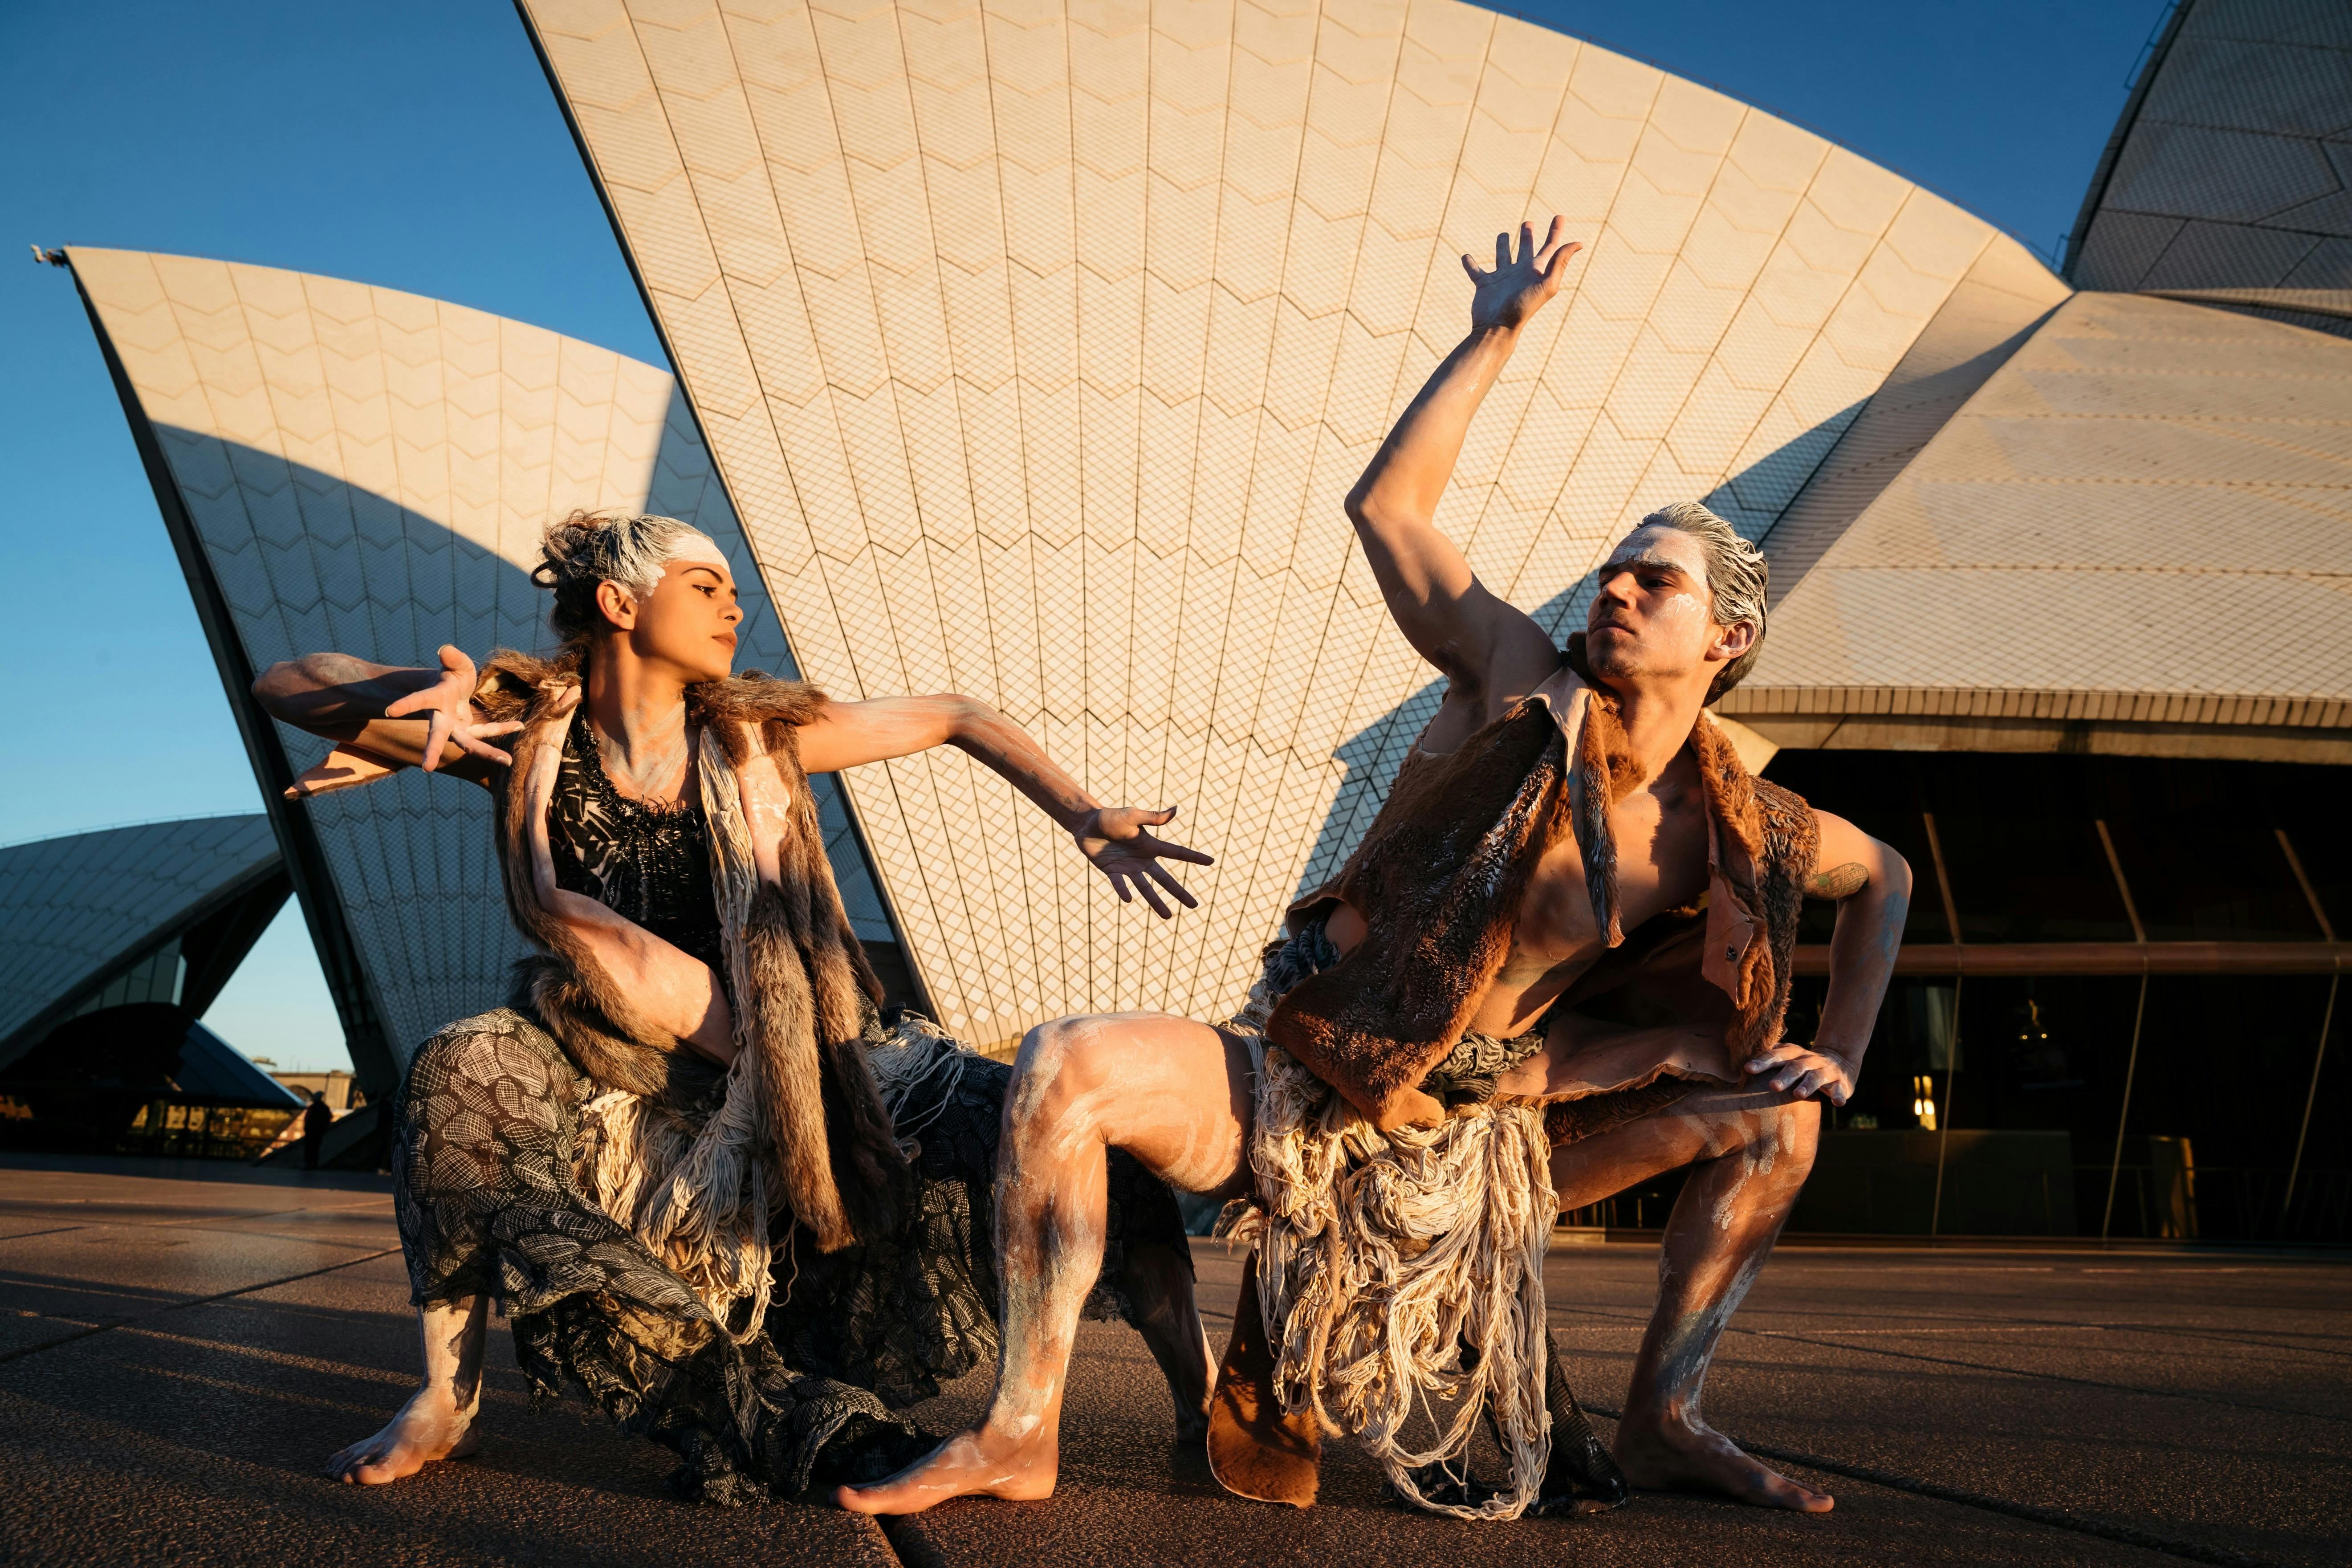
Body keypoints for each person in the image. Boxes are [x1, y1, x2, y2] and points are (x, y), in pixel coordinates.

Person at [838, 217, 1911, 1521]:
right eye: (1614, 571)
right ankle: (1019, 1432)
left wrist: (1840, 1047)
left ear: (1727, 636)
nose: (1617, 591)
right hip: (1316, 1082)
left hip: (1483, 1131)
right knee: (1066, 1062)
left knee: (1780, 1115)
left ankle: (1666, 1414)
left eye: (1654, 580)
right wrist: (1493, 335)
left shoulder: (1729, 820)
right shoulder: (1517, 682)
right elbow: (1387, 511)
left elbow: (1887, 878)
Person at [253, 511, 1219, 1504]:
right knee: (455, 1070)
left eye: (730, 588)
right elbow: (285, 683)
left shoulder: (760, 734)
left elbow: (956, 713)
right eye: (703, 584)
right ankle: (444, 1398)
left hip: (807, 1052)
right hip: (623, 1062)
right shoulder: (522, 737)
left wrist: (1083, 813)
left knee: (1052, 1130)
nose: (732, 603)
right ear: (619, 602)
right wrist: (408, 694)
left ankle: (1205, 1398)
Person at [298, 1090, 334, 1169]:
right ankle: (315, 1164)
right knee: (316, 1148)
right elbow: (329, 1118)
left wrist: (307, 1128)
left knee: (309, 1148)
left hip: (311, 1131)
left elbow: (307, 1118)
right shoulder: (325, 1108)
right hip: (320, 1131)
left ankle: (309, 1164)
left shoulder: (312, 1108)